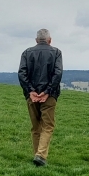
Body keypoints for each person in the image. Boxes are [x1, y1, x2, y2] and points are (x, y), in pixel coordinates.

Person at [18, 28, 64, 166]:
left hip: (31, 96)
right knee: (47, 125)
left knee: (35, 126)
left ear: (36, 40)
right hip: (49, 96)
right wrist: (48, 91)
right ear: (50, 40)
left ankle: (37, 154)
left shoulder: (27, 52)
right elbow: (58, 73)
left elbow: (22, 73)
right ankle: (41, 155)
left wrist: (30, 91)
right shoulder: (56, 52)